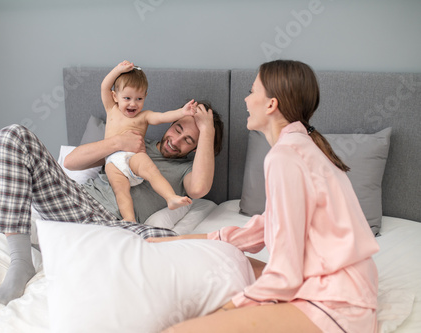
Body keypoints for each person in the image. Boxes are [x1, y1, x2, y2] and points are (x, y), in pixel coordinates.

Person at [148, 60, 379, 333]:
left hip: (336, 303)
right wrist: (177, 241)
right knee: (225, 259)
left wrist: (224, 311)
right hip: (350, 289)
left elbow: (285, 275)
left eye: (251, 91)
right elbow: (262, 228)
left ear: (270, 104)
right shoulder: (301, 147)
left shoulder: (285, 157)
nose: (246, 99)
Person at [0, 100, 224, 305]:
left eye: (188, 140)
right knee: (13, 135)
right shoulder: (137, 140)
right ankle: (20, 262)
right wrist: (118, 142)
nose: (176, 140)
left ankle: (61, 243)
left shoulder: (186, 170)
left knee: (189, 248)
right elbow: (71, 162)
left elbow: (199, 188)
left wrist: (208, 129)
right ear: (171, 122)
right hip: (74, 202)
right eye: (177, 128)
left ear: (196, 147)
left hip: (114, 226)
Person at [102, 60, 196, 222]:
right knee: (121, 191)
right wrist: (118, 70)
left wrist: (182, 112)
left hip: (134, 156)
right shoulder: (112, 109)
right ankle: (129, 219)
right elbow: (104, 86)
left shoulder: (144, 116)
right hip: (113, 161)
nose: (133, 103)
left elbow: (163, 117)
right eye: (127, 98)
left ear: (145, 96)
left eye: (139, 99)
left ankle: (170, 197)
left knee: (152, 172)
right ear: (114, 96)